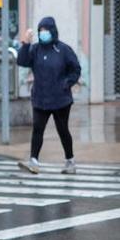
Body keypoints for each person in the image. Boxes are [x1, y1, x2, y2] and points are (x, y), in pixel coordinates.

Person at [16, 16, 81, 174]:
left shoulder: (63, 50)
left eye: (46, 30)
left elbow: (75, 69)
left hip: (60, 100)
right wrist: (25, 43)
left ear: (52, 31)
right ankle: (34, 161)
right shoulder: (35, 49)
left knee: (62, 130)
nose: (43, 33)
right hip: (40, 98)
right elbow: (22, 61)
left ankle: (70, 161)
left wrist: (66, 84)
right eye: (41, 31)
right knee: (37, 129)